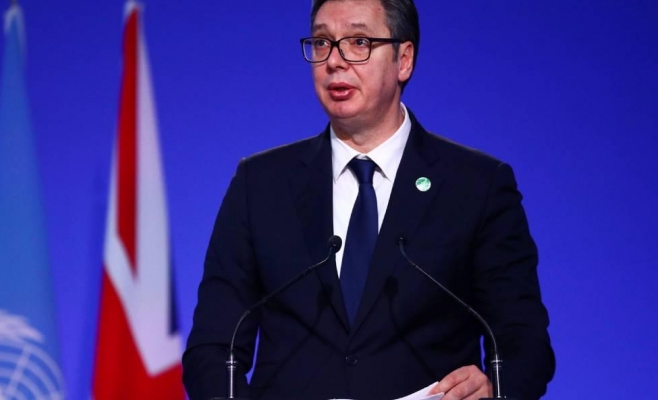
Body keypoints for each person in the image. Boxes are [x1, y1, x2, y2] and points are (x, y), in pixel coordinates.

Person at [182, 0, 555, 399]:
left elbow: (524, 344)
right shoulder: (260, 184)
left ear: (403, 60)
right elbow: (212, 350)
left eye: (358, 42)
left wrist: (494, 389)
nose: (334, 61)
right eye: (322, 42)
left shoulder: (476, 186)